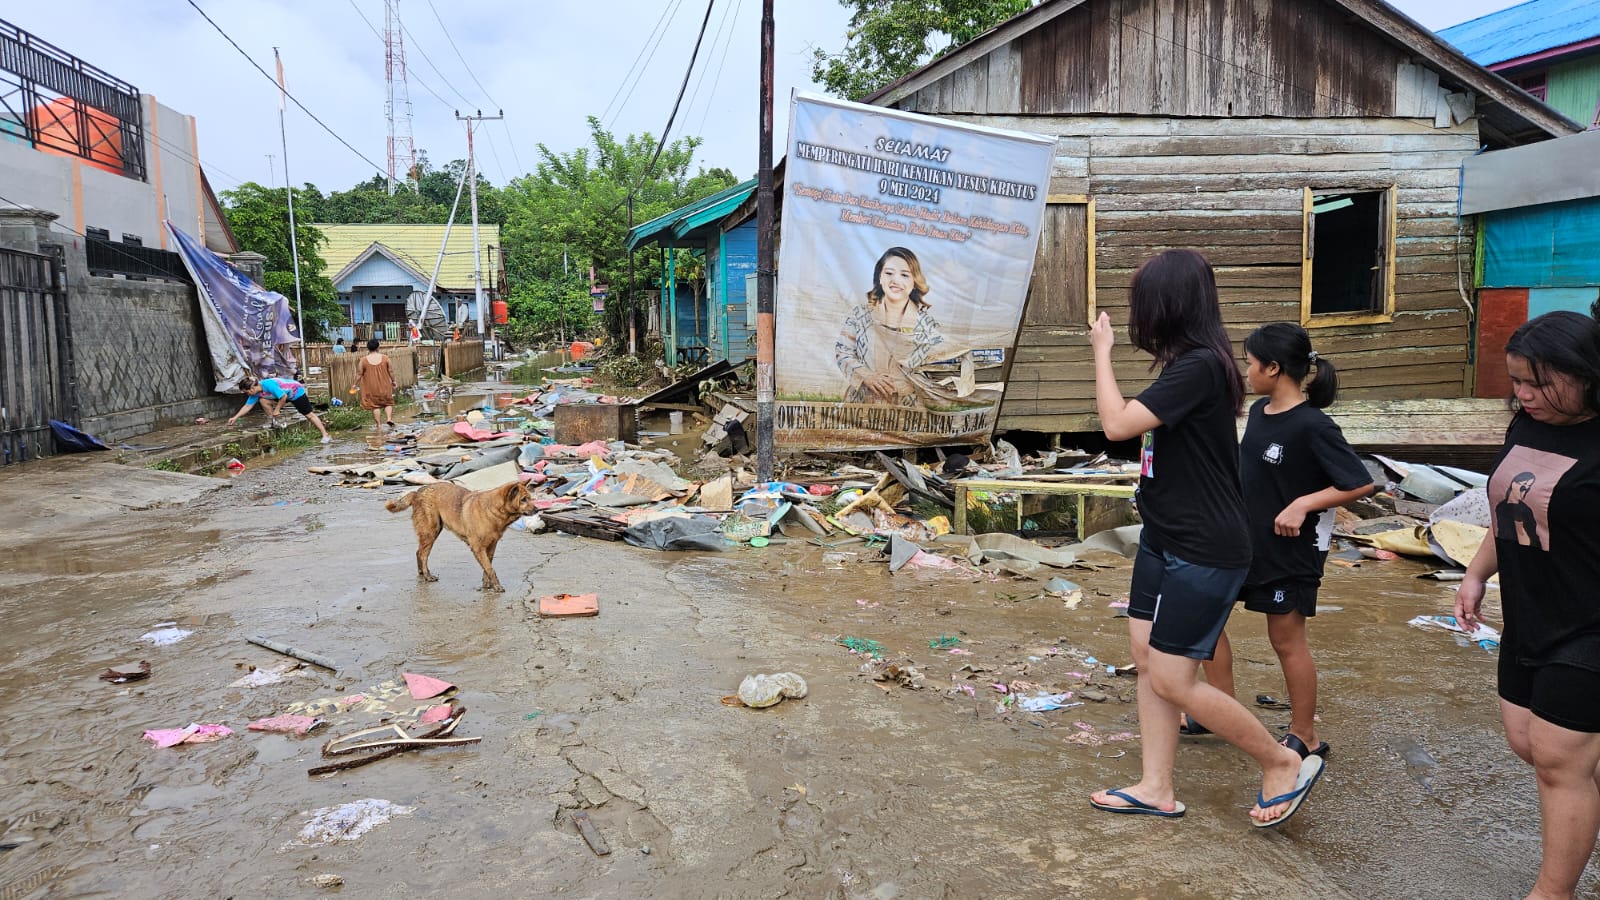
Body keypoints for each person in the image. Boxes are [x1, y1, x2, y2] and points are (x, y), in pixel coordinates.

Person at [1086, 249, 1323, 828]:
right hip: (1164, 535)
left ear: (1167, 306)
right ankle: (1156, 787)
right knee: (1146, 656)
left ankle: (1282, 762)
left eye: (1142, 301)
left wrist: (1101, 352)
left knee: (1173, 676)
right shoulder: (1189, 365)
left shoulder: (1199, 367)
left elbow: (1116, 424)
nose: (1137, 314)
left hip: (1203, 545)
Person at [1456, 309, 1600, 900]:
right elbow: (1511, 514)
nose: (1524, 394)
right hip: (1528, 615)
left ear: (1587, 375)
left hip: (1589, 626)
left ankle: (1551, 891)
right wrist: (1475, 574)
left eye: (1538, 383)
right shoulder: (1526, 425)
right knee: (1528, 741)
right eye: (1516, 381)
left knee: (1558, 760)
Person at [1199, 323, 1374, 761]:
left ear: (1274, 368)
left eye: (1251, 363)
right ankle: (1219, 712)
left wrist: (1303, 504)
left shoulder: (1314, 425)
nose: (1247, 371)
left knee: (1286, 640)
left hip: (1290, 551)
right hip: (1243, 543)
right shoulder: (1260, 412)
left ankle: (1305, 734)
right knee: (1205, 622)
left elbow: (1358, 482)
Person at [834, 247, 945, 407]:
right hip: (860, 404)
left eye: (904, 275)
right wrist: (866, 375)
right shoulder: (860, 315)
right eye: (889, 273)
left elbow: (936, 369)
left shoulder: (928, 327)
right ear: (880, 277)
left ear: (914, 282)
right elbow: (843, 352)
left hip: (908, 408)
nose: (895, 281)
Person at [226, 375, 332, 443]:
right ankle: (275, 422)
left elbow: (283, 396)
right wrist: (235, 417)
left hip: (296, 392)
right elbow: (247, 406)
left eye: (246, 392)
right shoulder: (256, 393)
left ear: (252, 388)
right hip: (283, 395)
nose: (246, 394)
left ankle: (325, 434)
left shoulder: (268, 385)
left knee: (308, 415)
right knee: (263, 401)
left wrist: (277, 409)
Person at [356, 338, 397, 433]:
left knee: (375, 406)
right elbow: (390, 371)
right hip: (385, 386)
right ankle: (389, 418)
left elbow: (359, 374)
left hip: (371, 388)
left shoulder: (363, 360)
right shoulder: (385, 358)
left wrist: (354, 384)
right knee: (388, 403)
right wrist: (393, 381)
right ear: (378, 347)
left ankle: (378, 425)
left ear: (368, 348)